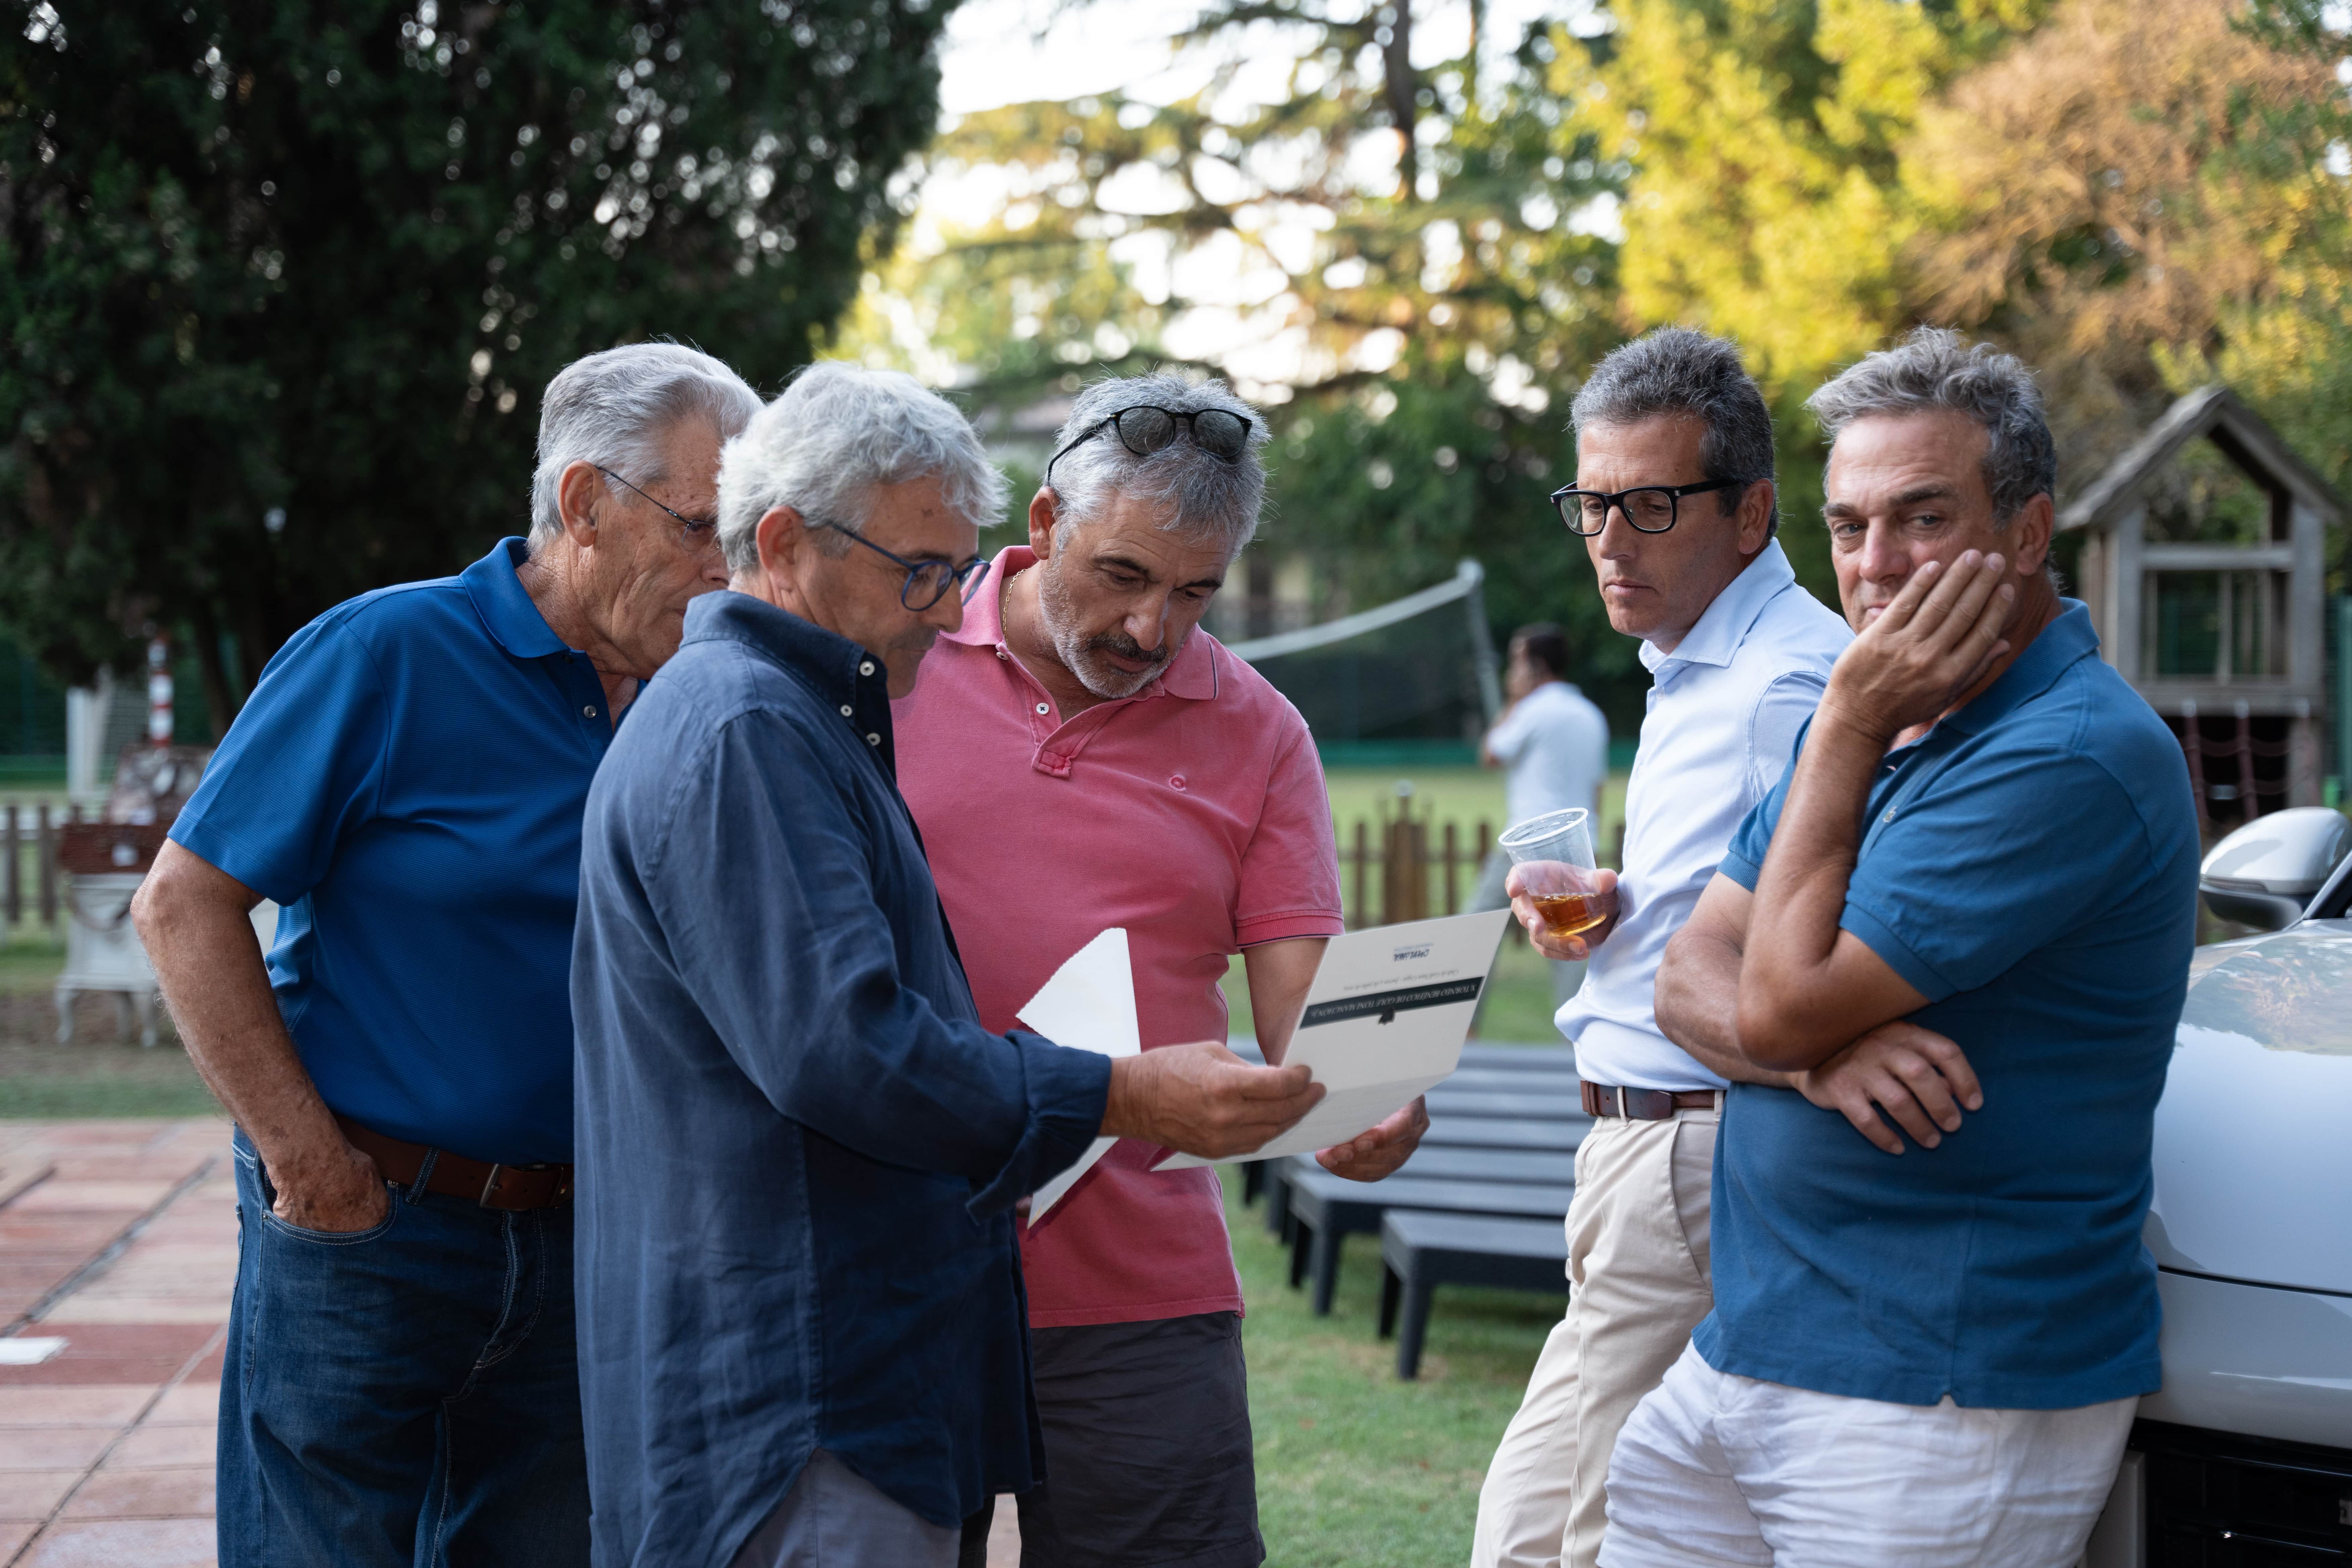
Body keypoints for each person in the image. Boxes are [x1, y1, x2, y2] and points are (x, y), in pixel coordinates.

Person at [569, 362, 1328, 1568]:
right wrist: (1115, 1091)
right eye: (921, 571)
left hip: (934, 1307)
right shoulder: (758, 724)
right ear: (784, 542)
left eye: (1195, 593)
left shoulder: (782, 706)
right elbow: (844, 1047)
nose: (941, 604)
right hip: (808, 1352)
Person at [129, 343, 759, 1567]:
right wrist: (311, 1167)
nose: (725, 565)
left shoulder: (707, 697)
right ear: (583, 504)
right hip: (375, 1228)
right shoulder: (385, 654)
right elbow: (183, 905)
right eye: (697, 524)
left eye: (739, 527)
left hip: (595, 1245)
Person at [1606, 330, 2200, 1567]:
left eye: (1924, 516)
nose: (1875, 567)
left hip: (1938, 1389)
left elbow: (1767, 1002)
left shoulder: (2065, 751)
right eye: (1849, 525)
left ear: (2029, 533)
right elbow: (1685, 972)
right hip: (1751, 1347)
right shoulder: (1889, 725)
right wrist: (1815, 1059)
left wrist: (1850, 717)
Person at [889, 371, 1428, 1568]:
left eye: (1194, 593)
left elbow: (1312, 1026)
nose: (1152, 631)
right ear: (1041, 526)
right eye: (1122, 576)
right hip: (888, 1262)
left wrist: (1364, 1092)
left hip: (1137, 1283)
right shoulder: (891, 659)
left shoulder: (1261, 729)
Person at [1471, 328, 1854, 1568]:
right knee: (1523, 1528)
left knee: (1604, 1534)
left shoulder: (1785, 689)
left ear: (1750, 513)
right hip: (1637, 1144)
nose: (1609, 540)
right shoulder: (1700, 665)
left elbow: (1829, 938)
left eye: (1648, 503)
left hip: (1688, 1144)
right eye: (1592, 502)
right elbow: (1738, 902)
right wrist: (1616, 898)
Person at [1475, 623, 1611, 1004]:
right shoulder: (1591, 715)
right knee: (1571, 944)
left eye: (1517, 663)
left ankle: (1460, 1029)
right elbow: (1597, 788)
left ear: (1535, 667)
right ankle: (1576, 1038)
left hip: (1526, 843)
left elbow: (1490, 754)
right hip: (1577, 845)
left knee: (1474, 931)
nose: (1511, 674)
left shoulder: (1531, 710)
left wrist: (1512, 702)